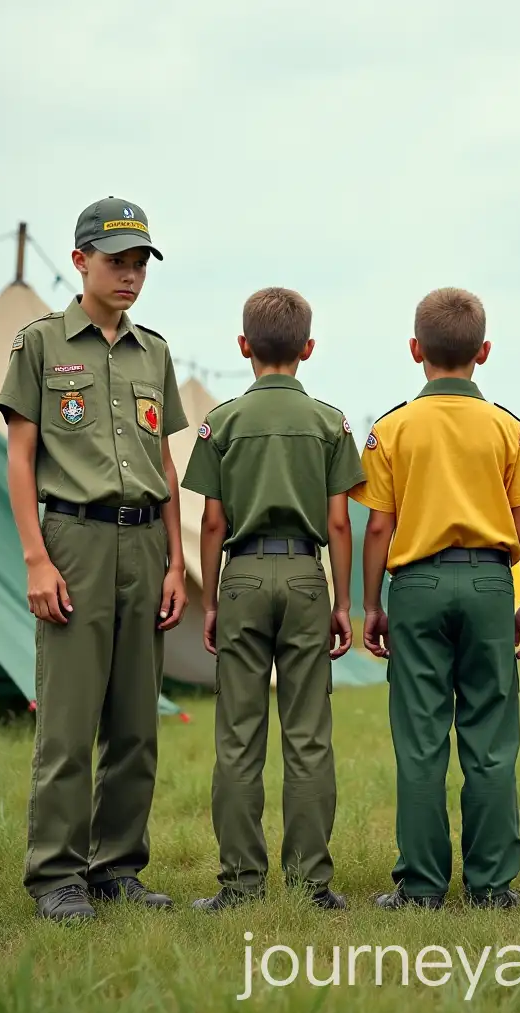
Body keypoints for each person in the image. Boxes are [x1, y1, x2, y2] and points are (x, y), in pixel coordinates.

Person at [0, 197, 190, 922]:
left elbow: (164, 464)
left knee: (137, 724)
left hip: (145, 543)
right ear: (80, 261)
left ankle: (117, 868)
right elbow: (20, 458)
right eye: (117, 262)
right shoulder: (41, 344)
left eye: (141, 262)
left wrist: (176, 563)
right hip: (72, 540)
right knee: (70, 722)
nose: (131, 276)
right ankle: (56, 876)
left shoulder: (156, 352)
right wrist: (35, 559)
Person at [350, 287, 520, 910]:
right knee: (490, 738)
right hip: (491, 584)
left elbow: (378, 526)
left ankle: (422, 887)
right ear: (483, 352)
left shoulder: (392, 429)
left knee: (421, 742)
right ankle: (492, 887)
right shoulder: (509, 430)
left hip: (417, 587)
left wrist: (372, 603)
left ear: (416, 350)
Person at [181, 286, 365, 913]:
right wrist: (343, 602)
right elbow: (340, 523)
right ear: (307, 348)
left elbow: (211, 522)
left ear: (243, 347)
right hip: (307, 576)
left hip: (243, 576)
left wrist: (211, 603)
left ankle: (239, 886)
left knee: (238, 737)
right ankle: (312, 885)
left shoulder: (223, 422)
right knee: (309, 735)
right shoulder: (329, 422)